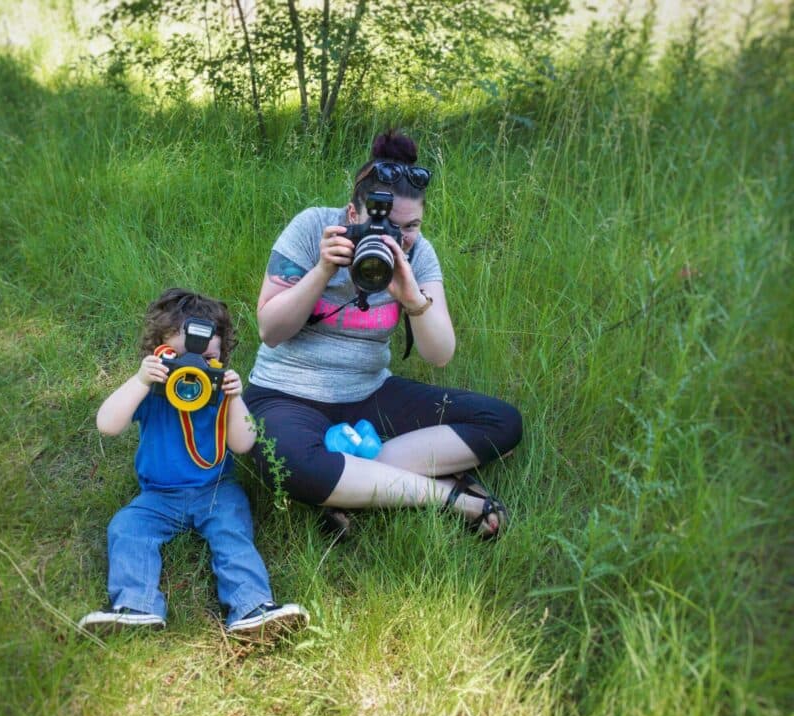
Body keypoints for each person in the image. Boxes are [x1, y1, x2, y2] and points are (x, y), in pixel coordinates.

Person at [245, 130, 523, 539]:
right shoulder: (313, 228)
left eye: (410, 227)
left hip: (369, 392)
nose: (397, 240)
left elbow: (439, 354)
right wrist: (322, 271)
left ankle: (345, 483)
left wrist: (413, 299)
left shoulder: (417, 252)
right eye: (388, 226)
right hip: (287, 393)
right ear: (353, 214)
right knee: (285, 463)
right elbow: (271, 331)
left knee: (502, 422)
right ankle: (449, 497)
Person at [78, 288, 308, 638]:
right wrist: (142, 380)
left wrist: (233, 398)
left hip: (216, 491)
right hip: (158, 495)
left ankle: (252, 606)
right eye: (181, 356)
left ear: (221, 358)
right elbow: (107, 425)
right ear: (159, 353)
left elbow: (244, 444)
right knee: (126, 528)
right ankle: (136, 605)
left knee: (232, 532)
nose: (193, 367)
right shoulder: (154, 393)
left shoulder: (217, 395)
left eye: (208, 357)